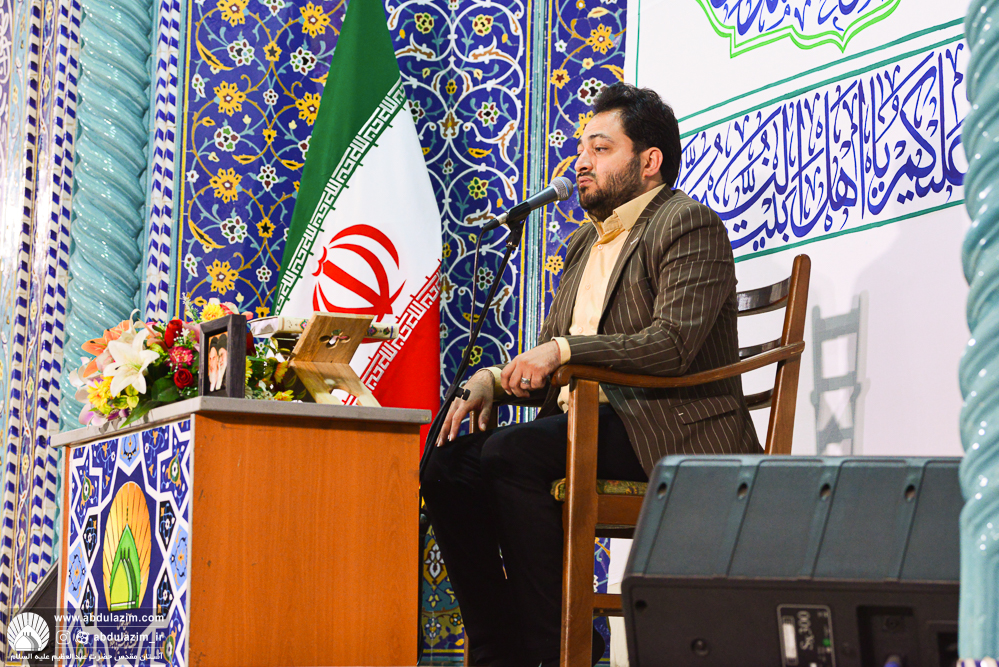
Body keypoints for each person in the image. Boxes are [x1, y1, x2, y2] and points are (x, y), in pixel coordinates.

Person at [420, 83, 761, 667]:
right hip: (591, 424)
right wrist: (493, 381)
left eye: (600, 149)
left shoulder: (687, 223)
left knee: (511, 454)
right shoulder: (584, 243)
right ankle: (499, 651)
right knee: (447, 463)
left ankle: (561, 649)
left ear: (648, 162)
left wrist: (560, 351)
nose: (581, 162)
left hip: (670, 429)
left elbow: (672, 346)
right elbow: (554, 359)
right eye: (581, 149)